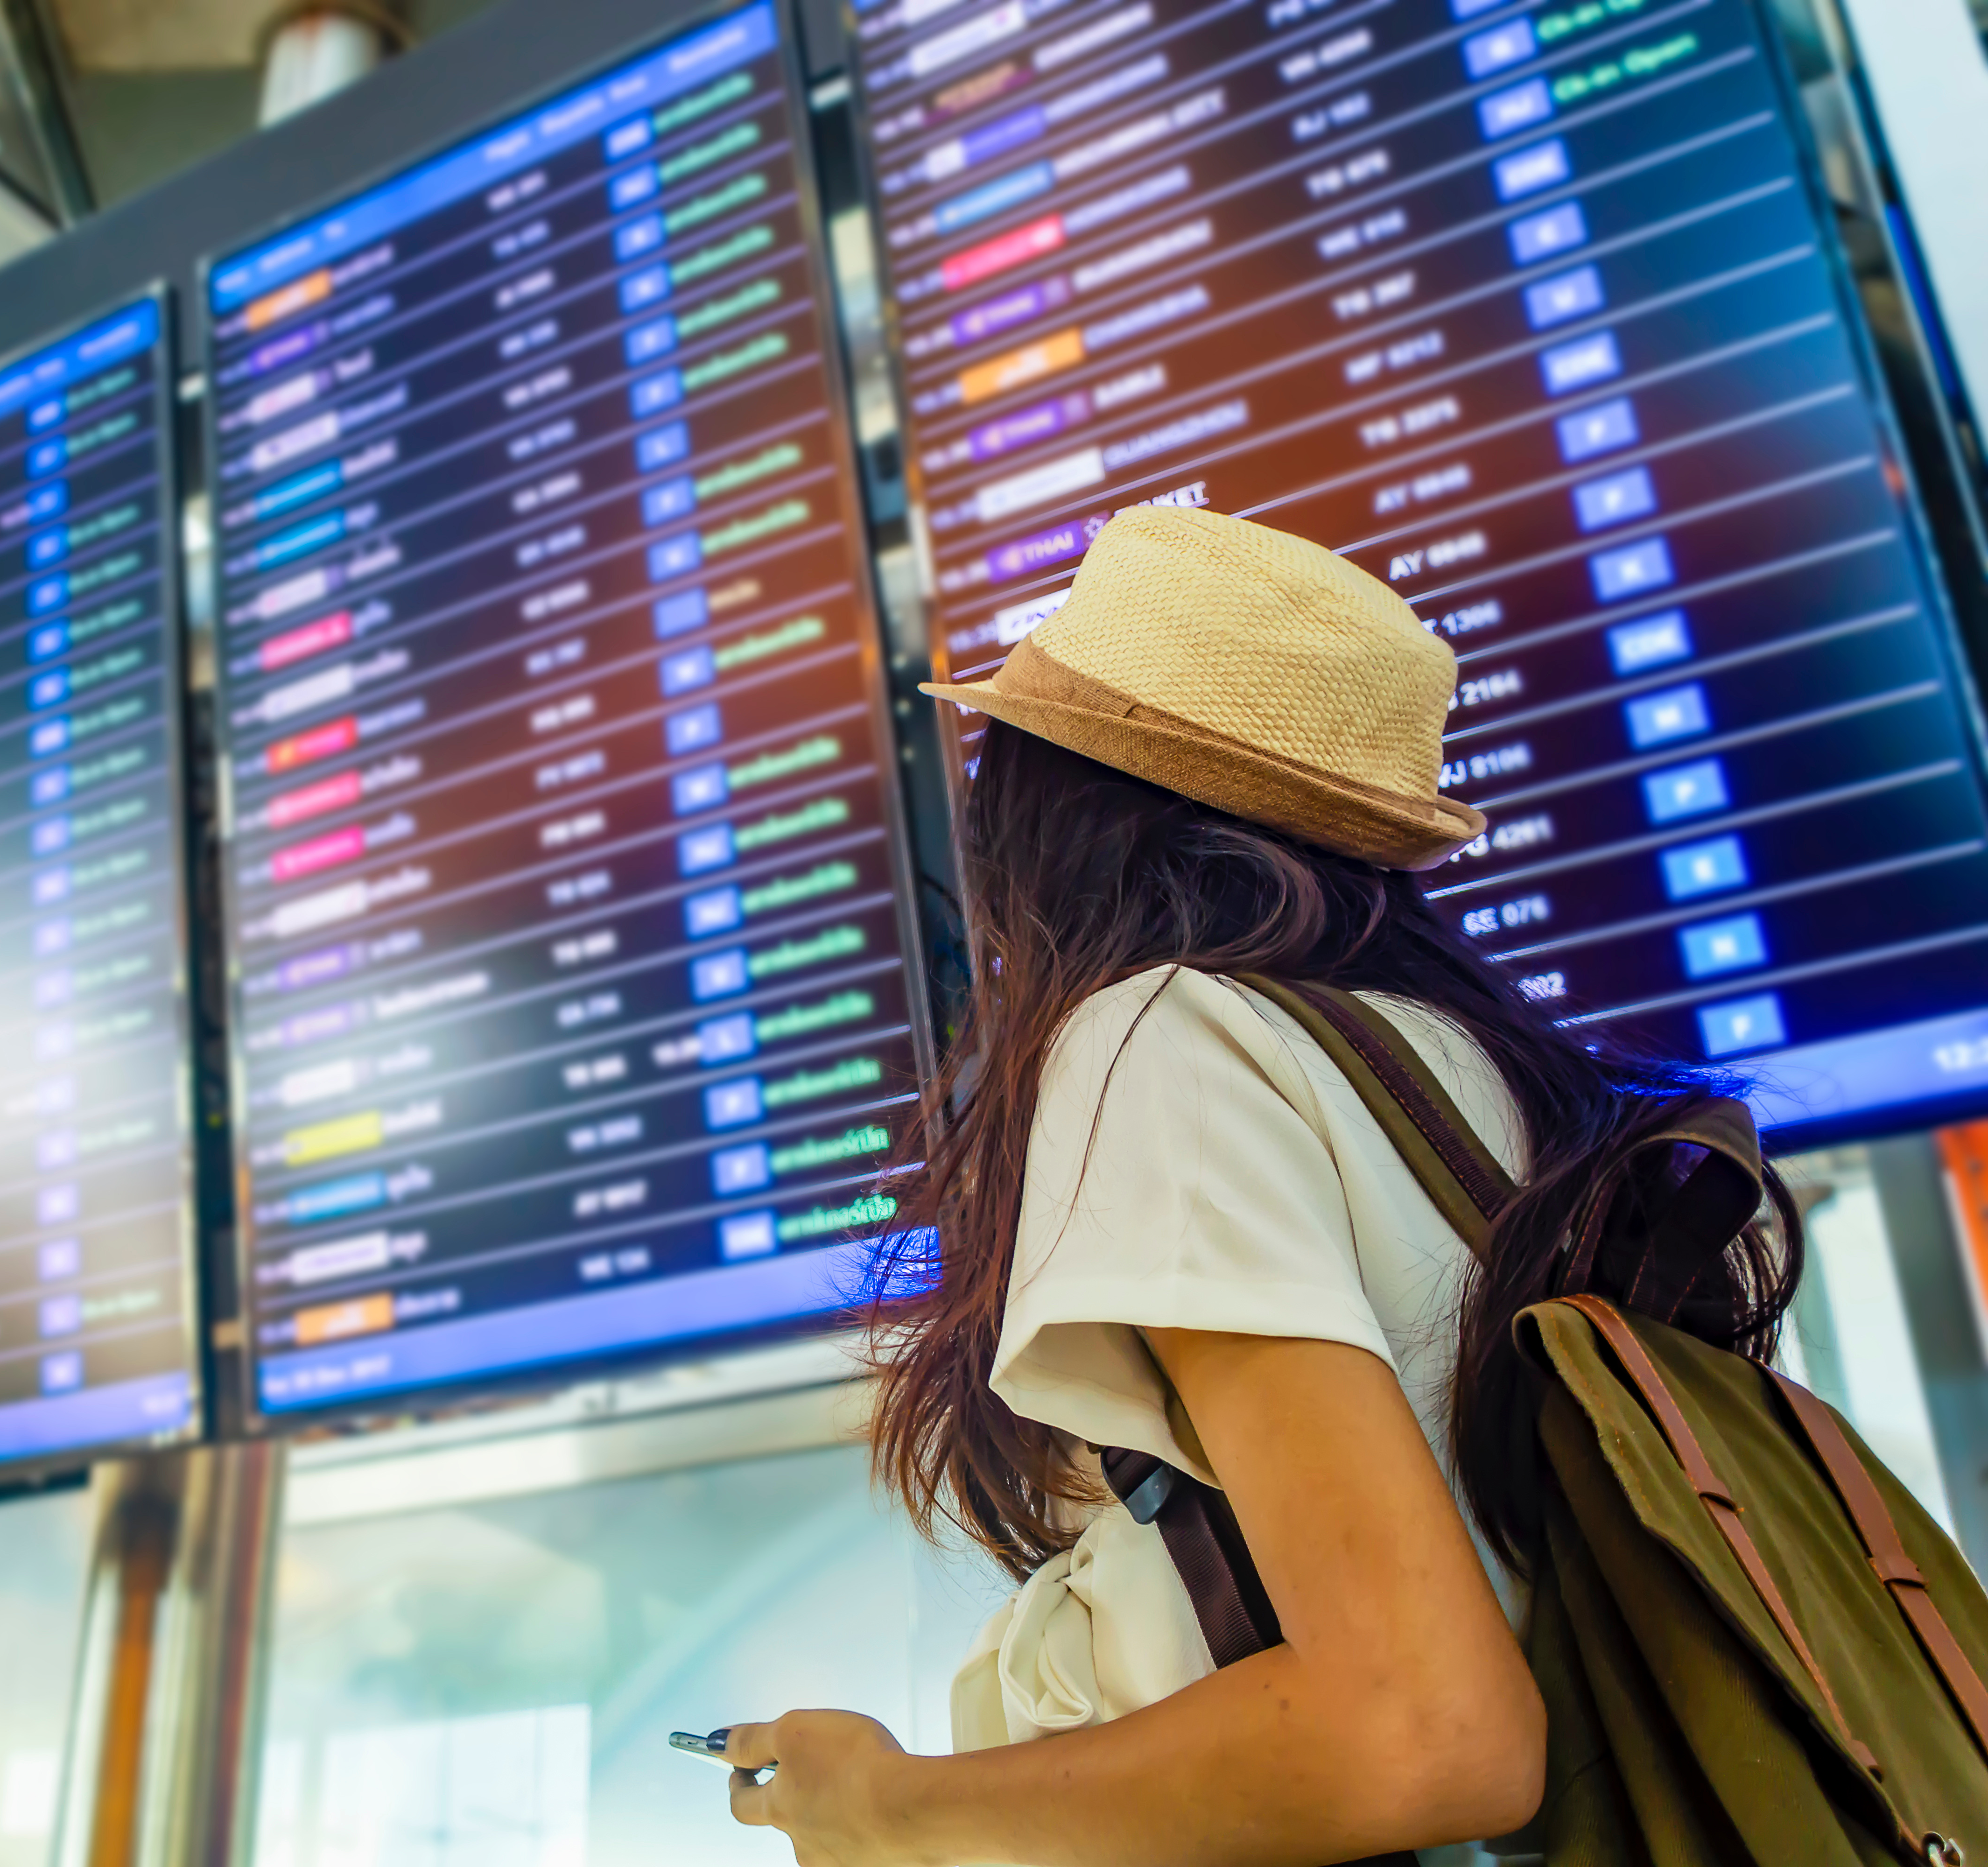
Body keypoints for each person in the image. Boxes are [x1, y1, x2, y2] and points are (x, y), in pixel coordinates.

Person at [711, 506, 1798, 1865]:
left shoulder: (1166, 1036)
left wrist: (881, 1806)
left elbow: (1427, 1731)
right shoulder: (1485, 1077)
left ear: (1047, 819)